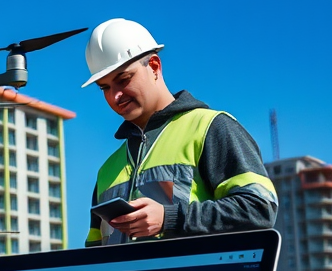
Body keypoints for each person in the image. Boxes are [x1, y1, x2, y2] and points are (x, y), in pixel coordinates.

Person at [82, 18, 276, 247]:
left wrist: (170, 218)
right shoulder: (107, 170)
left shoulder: (210, 128)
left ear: (154, 66)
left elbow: (259, 208)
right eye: (104, 87)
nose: (115, 96)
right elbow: (93, 252)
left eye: (123, 80)